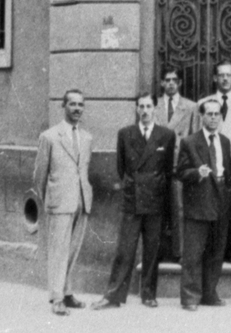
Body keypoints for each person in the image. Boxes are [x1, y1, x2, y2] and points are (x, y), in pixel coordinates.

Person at [93, 93, 177, 310]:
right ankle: (113, 296)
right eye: (141, 106)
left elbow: (168, 170)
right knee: (125, 250)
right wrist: (132, 187)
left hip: (155, 200)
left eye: (149, 106)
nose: (145, 111)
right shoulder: (125, 134)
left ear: (155, 109)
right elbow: (121, 168)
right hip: (132, 200)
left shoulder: (166, 135)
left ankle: (148, 295)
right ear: (137, 109)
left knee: (152, 251)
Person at [32, 89, 92, 316]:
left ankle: (67, 293)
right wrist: (49, 200)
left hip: (81, 201)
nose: (77, 109)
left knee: (72, 250)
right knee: (58, 251)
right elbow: (39, 175)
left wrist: (84, 196)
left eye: (80, 105)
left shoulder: (87, 138)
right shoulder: (49, 137)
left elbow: (82, 170)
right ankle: (56, 298)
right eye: (72, 104)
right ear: (63, 106)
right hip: (59, 202)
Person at [177, 99, 231, 311]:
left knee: (216, 251)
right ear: (201, 116)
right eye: (209, 114)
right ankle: (190, 297)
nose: (213, 118)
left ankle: (210, 294)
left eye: (217, 114)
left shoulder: (225, 141)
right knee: (193, 253)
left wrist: (227, 192)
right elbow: (180, 172)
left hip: (220, 201)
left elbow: (228, 170)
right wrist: (196, 173)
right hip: (198, 201)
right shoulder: (190, 142)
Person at [195, 61, 231, 264]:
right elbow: (197, 135)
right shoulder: (204, 102)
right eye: (221, 75)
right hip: (211, 163)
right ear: (214, 78)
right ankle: (212, 253)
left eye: (228, 75)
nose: (225, 79)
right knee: (212, 209)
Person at [155, 67, 197, 261]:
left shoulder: (191, 107)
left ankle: (179, 252)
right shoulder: (153, 106)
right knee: (156, 210)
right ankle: (157, 252)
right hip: (157, 164)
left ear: (180, 83)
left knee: (179, 209)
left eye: (174, 80)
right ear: (162, 83)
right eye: (167, 80)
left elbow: (194, 137)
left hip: (179, 164)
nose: (170, 83)